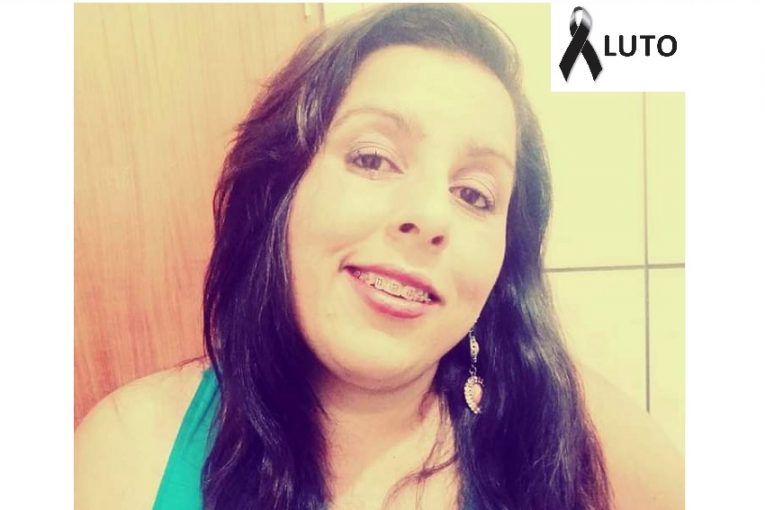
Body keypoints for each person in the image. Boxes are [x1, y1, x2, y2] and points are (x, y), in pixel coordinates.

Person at [74, 4, 683, 509]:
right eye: (372, 158)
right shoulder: (131, 451)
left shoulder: (573, 432)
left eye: (474, 194)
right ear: (280, 192)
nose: (430, 216)